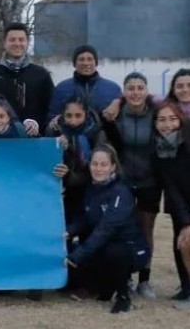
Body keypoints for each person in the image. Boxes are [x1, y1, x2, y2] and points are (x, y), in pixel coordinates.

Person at [64, 145, 151, 314]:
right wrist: (69, 231)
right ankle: (104, 287)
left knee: (114, 252)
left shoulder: (121, 191)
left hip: (130, 249)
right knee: (72, 278)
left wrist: (77, 256)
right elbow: (84, 216)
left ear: (113, 167)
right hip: (102, 247)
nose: (98, 169)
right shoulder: (91, 188)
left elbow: (106, 228)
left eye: (103, 164)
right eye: (94, 164)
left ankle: (123, 295)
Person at [101, 73, 159, 299]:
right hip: (122, 181)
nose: (135, 92)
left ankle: (145, 280)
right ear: (123, 92)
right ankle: (124, 277)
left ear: (146, 91)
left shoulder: (156, 113)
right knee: (122, 229)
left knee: (146, 231)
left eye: (140, 88)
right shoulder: (115, 114)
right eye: (131, 88)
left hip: (149, 181)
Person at [151, 102, 190, 304]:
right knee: (180, 243)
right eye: (162, 119)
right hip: (179, 203)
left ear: (180, 120)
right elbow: (170, 187)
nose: (167, 124)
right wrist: (185, 221)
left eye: (172, 119)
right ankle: (186, 288)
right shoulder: (158, 149)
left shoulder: (187, 141)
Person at [0, 23, 53, 136]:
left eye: (21, 40)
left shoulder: (41, 74)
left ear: (27, 42)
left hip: (33, 140)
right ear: (4, 43)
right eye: (12, 40)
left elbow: (50, 109)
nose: (17, 43)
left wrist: (38, 125)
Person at [49, 96, 105, 225]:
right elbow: (50, 161)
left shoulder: (96, 133)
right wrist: (58, 147)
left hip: (90, 189)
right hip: (63, 191)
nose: (73, 121)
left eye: (78, 115)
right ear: (62, 115)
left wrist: (70, 147)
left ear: (86, 114)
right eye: (69, 116)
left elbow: (97, 165)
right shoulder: (54, 130)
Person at [48, 45, 121, 120]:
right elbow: (52, 118)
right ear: (74, 63)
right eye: (81, 59)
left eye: (90, 59)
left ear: (96, 63)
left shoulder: (113, 89)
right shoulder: (62, 88)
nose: (86, 63)